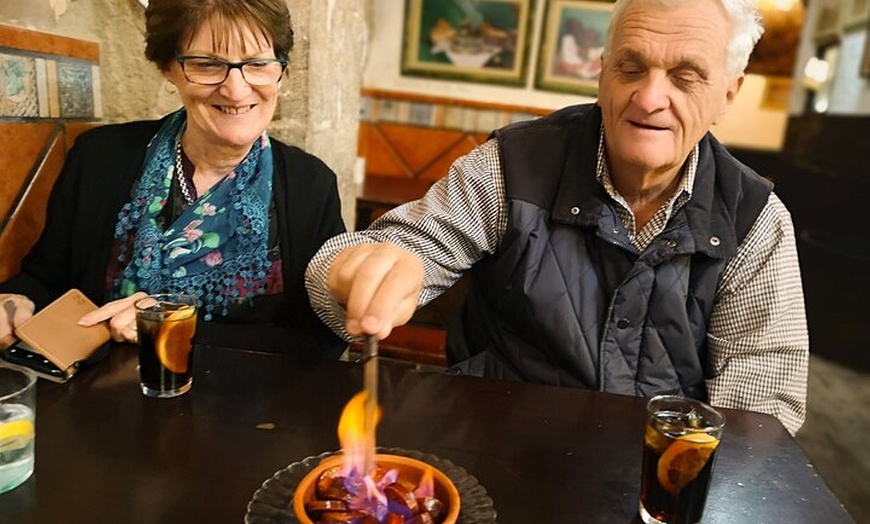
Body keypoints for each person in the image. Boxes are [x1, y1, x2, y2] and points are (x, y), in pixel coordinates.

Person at [305, 0, 809, 434]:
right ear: (603, 70)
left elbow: (760, 405)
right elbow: (404, 246)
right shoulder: (512, 166)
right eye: (631, 68)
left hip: (652, 475)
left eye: (685, 76)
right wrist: (358, 271)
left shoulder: (756, 219)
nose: (651, 98)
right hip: (494, 449)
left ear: (728, 92)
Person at [0, 0, 346, 358]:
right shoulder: (100, 157)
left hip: (250, 408)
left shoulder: (311, 185)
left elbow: (320, 341)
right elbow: (45, 280)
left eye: (258, 64)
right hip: (101, 402)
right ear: (168, 68)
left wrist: (171, 326)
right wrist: (13, 300)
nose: (236, 89)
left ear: (281, 70)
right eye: (207, 64)